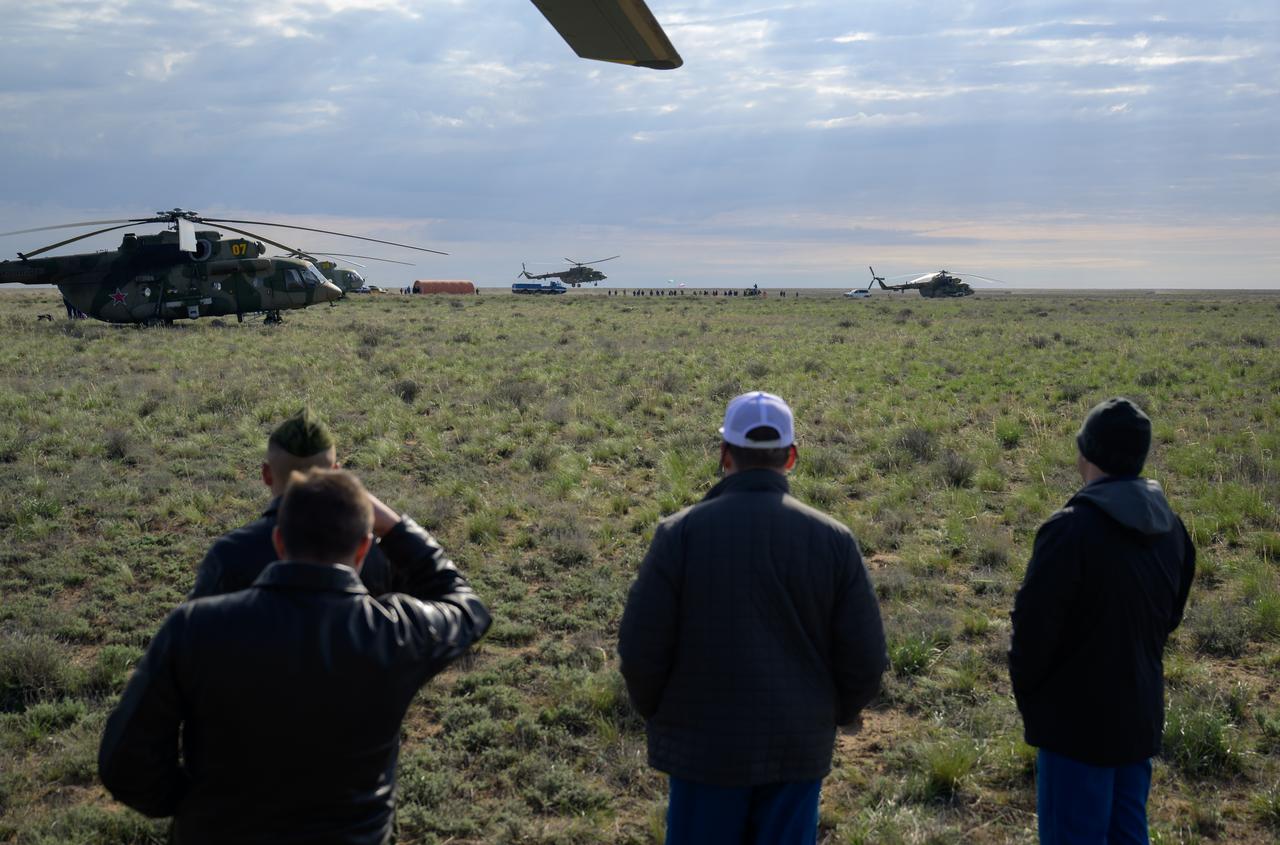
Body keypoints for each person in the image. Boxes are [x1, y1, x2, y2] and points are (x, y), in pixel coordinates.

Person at [99, 467, 491, 844]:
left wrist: (196, 806)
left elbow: (125, 765)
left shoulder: (195, 626)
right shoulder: (396, 632)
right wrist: (397, 529)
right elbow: (467, 607)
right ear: (364, 548)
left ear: (279, 542)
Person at [618, 391, 888, 845]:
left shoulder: (679, 534)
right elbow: (865, 657)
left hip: (701, 751)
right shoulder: (834, 540)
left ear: (725, 455)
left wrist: (665, 716)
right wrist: (824, 716)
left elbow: (640, 650)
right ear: (792, 457)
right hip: (795, 751)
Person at [1010, 397, 1195, 845]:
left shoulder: (1069, 530)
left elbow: (1032, 635)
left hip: (1074, 729)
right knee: (1128, 833)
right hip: (1139, 716)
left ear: (1085, 452)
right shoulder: (1172, 528)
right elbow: (1169, 618)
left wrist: (1037, 706)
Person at [189, 408, 394, 598]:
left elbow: (194, 631)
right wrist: (396, 528)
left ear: (267, 474)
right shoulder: (370, 552)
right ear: (335, 471)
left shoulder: (229, 554)